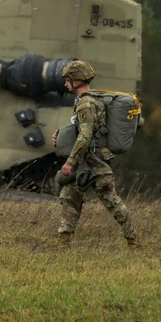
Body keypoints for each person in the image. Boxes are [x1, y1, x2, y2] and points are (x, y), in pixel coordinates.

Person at [52, 59, 140, 248]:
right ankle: (63, 242)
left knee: (110, 199)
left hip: (93, 160)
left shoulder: (86, 103)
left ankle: (133, 241)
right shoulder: (90, 101)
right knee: (69, 196)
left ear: (77, 79)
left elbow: (85, 135)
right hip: (89, 159)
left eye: (68, 79)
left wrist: (70, 162)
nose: (66, 83)